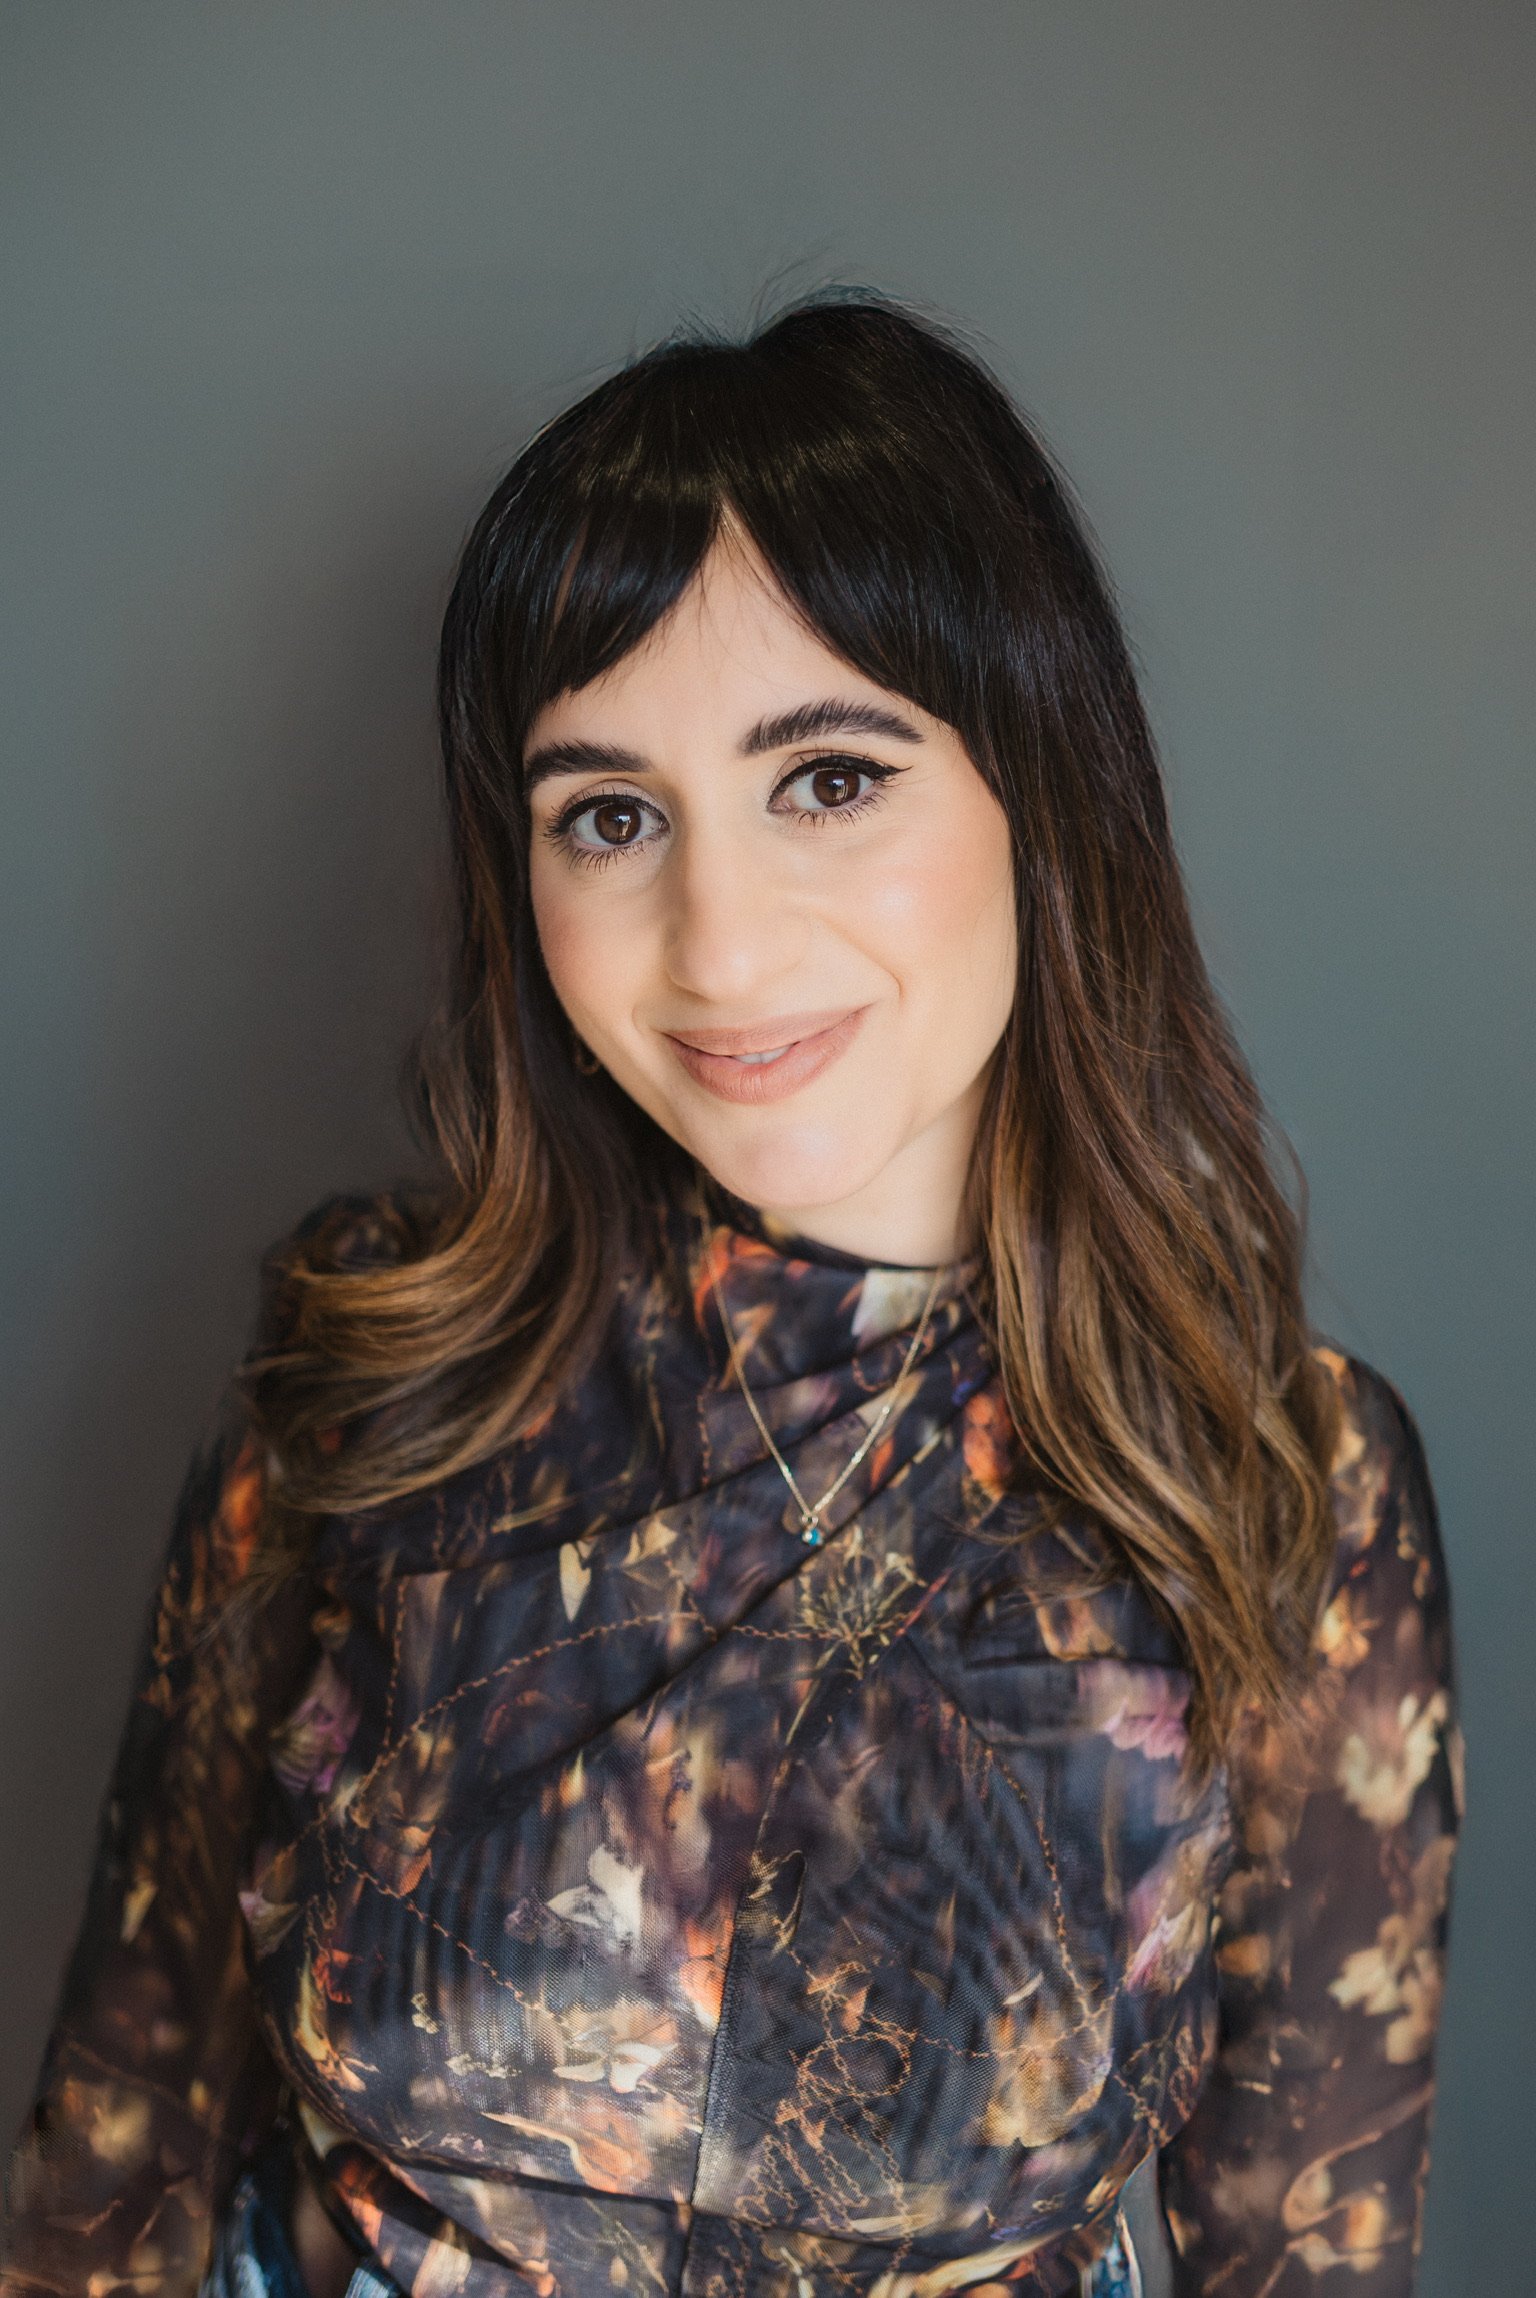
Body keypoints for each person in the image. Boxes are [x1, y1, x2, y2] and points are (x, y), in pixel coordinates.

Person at [0, 298, 1459, 2298]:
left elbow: (1308, 2255)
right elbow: (114, 2159)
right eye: (611, 816)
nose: (721, 942)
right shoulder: (367, 1365)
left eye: (829, 778)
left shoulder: (1292, 1478)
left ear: (1039, 787)